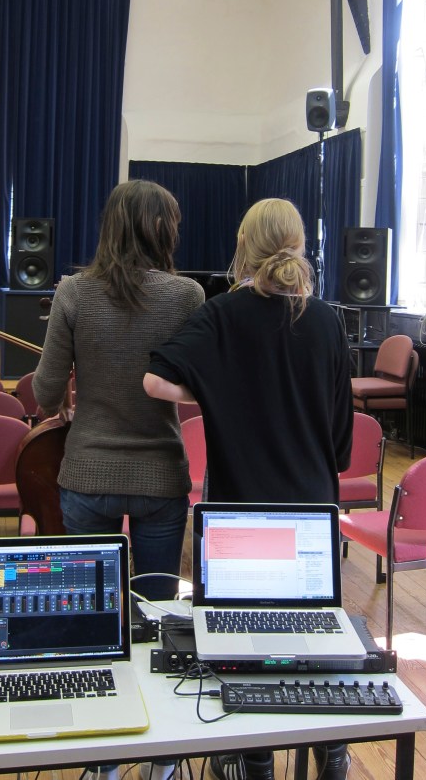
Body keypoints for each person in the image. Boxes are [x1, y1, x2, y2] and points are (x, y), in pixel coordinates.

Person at [144, 197, 354, 780]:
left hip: (241, 515)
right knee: (312, 637)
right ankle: (331, 749)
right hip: (313, 509)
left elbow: (154, 379)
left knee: (247, 643)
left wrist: (217, 393)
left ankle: (255, 759)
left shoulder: (223, 314)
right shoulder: (328, 319)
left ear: (244, 248)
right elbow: (340, 436)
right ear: (297, 244)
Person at [32, 179, 205, 605]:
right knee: (156, 610)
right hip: (161, 475)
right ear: (163, 229)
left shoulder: (73, 291)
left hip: (88, 472)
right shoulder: (188, 296)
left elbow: (45, 391)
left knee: (92, 612)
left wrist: (65, 400)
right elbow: (203, 386)